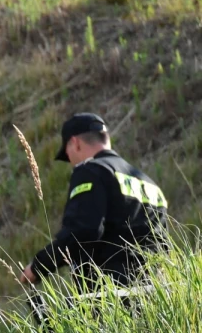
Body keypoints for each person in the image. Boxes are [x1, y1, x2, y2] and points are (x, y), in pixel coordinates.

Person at [20, 113, 168, 293]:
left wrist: (39, 266)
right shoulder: (149, 183)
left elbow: (82, 231)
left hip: (112, 299)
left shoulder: (91, 172)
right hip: (157, 294)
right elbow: (162, 243)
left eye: (67, 153)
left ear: (75, 143)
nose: (69, 160)